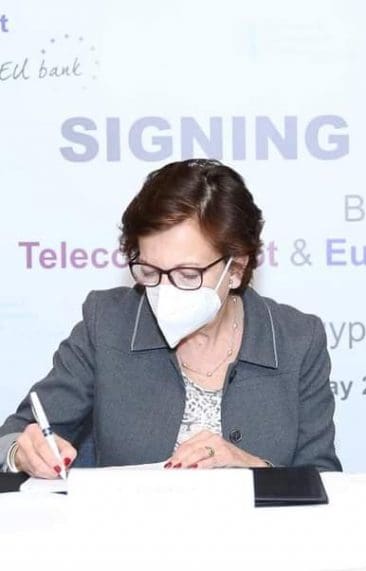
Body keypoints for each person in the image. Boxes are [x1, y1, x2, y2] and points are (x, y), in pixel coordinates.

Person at [0, 159, 341, 477]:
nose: (165, 290)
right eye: (150, 271)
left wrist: (254, 470)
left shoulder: (298, 340)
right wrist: (21, 453)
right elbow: (13, 436)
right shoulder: (107, 323)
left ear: (236, 268)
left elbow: (323, 479)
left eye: (188, 274)